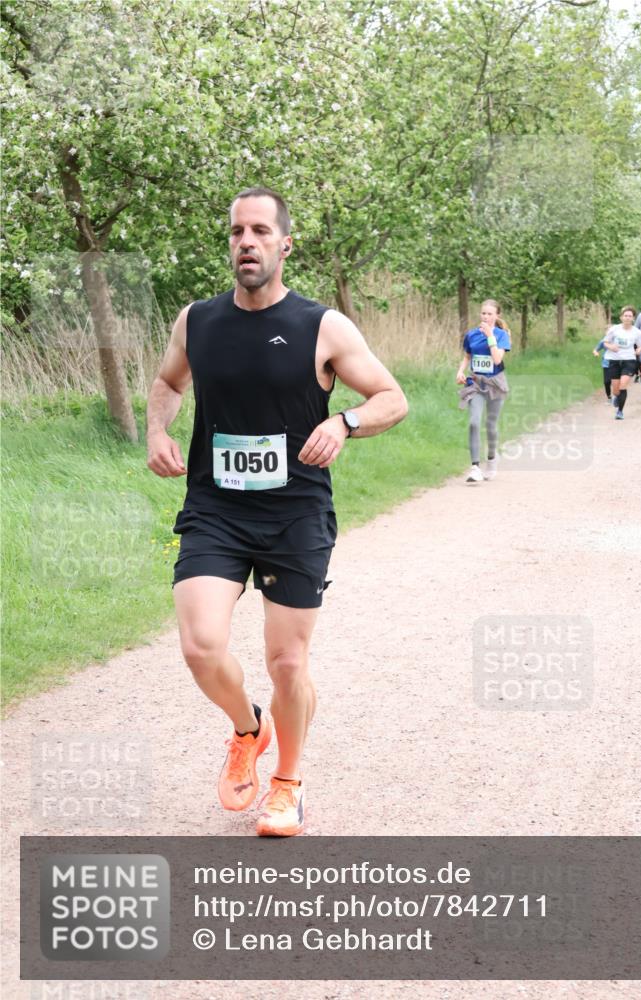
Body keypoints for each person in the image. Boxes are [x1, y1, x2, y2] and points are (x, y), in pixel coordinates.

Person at [146, 187, 408, 837]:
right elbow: (167, 383)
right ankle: (247, 728)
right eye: (237, 232)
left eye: (260, 231)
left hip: (294, 513)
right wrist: (157, 430)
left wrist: (345, 422)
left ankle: (287, 783)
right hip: (214, 508)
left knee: (287, 662)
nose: (246, 242)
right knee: (201, 646)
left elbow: (390, 398)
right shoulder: (196, 321)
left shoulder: (322, 326)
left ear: (284, 245)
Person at [456, 300, 511, 482]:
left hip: (495, 383)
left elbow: (496, 359)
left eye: (489, 314)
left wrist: (490, 336)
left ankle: (492, 458)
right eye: (483, 313)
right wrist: (460, 371)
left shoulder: (502, 335)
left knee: (491, 425)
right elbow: (467, 356)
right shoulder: (471, 335)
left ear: (497, 316)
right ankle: (475, 467)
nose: (485, 317)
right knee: (474, 422)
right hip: (476, 383)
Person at [602, 306, 641, 420]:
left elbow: (640, 347)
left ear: (633, 318)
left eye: (630, 316)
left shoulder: (637, 332)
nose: (627, 318)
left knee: (623, 385)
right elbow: (605, 342)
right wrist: (611, 346)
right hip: (614, 360)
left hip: (629, 360)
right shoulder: (614, 329)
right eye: (625, 316)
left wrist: (638, 350)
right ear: (621, 317)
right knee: (616, 389)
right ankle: (616, 396)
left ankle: (620, 411)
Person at [593, 336, 612, 402]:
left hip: (617, 364)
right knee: (607, 382)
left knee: (617, 382)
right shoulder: (603, 341)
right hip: (606, 364)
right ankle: (609, 397)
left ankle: (618, 396)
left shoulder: (618, 340)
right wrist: (596, 353)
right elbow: (595, 349)